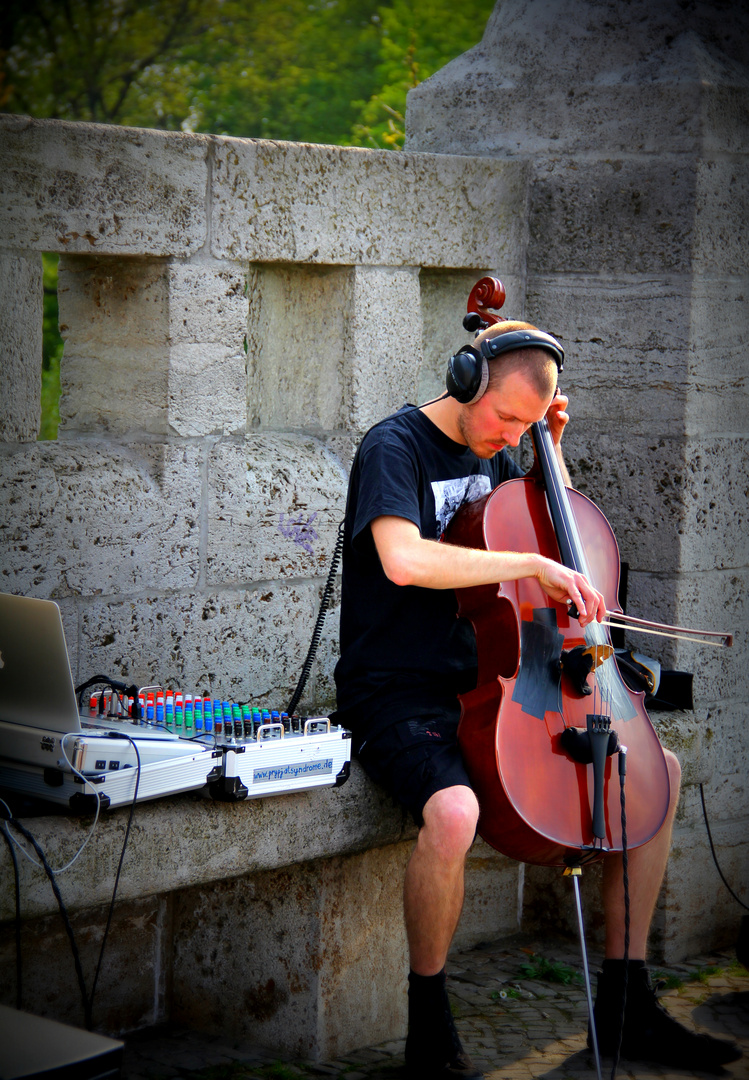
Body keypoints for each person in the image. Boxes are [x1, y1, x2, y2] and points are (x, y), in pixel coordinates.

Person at [332, 319, 741, 1080]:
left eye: (528, 424)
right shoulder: (394, 448)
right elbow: (402, 558)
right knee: (453, 814)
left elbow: (540, 551)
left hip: (494, 682)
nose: (512, 435)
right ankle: (430, 1033)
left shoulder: (508, 449)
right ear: (465, 382)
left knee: (655, 774)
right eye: (505, 419)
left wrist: (548, 450)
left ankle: (624, 1003)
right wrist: (521, 559)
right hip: (399, 690)